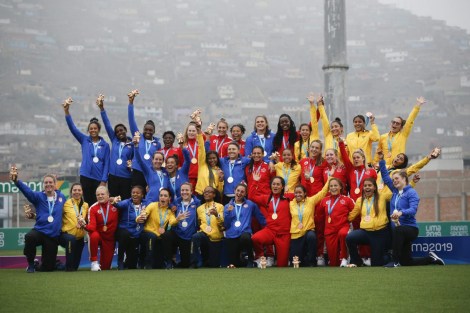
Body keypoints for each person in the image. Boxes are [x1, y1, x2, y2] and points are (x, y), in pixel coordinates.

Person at [378, 153, 445, 267]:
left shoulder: (411, 192)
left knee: (398, 231)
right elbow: (384, 175)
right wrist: (381, 160)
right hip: (400, 231)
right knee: (407, 262)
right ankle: (432, 259)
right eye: (393, 179)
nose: (394, 181)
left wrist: (401, 212)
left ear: (404, 179)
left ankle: (395, 261)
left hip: (410, 229)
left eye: (397, 178)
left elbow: (413, 210)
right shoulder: (394, 191)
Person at [10, 166, 66, 273]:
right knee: (29, 237)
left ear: (55, 185)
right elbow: (27, 191)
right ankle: (31, 264)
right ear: (43, 185)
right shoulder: (38, 196)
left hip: (52, 236)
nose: (48, 184)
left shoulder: (61, 197)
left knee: (47, 269)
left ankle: (40, 264)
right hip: (40, 231)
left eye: (50, 182)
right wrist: (17, 181)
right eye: (46, 183)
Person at [63, 97, 110, 204]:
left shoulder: (105, 145)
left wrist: (104, 181)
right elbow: (72, 128)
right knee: (86, 203)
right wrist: (66, 111)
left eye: (95, 128)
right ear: (88, 130)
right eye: (91, 128)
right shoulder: (84, 140)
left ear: (98, 130)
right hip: (85, 176)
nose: (93, 130)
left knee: (98, 202)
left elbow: (107, 164)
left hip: (99, 179)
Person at [346, 178, 390, 266]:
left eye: (369, 185)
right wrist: (340, 216)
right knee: (350, 238)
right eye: (365, 186)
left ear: (374, 187)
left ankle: (388, 256)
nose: (367, 187)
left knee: (376, 264)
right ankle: (357, 261)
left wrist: (412, 183)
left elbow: (398, 192)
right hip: (365, 233)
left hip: (379, 233)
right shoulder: (360, 200)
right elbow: (351, 216)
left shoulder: (383, 196)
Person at [250, 176, 292, 267]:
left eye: (278, 184)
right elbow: (252, 196)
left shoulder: (288, 198)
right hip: (270, 231)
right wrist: (255, 182)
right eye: (273, 184)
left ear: (282, 187)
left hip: (283, 234)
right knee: (255, 238)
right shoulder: (267, 198)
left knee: (282, 265)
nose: (275, 186)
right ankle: (260, 258)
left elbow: (302, 196)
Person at [97, 94, 133, 199]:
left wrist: (132, 164)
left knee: (124, 201)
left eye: (121, 130)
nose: (119, 132)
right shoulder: (114, 140)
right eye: (117, 132)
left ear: (126, 130)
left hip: (126, 178)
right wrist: (102, 108)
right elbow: (107, 124)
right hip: (113, 177)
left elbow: (136, 159)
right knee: (113, 202)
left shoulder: (132, 144)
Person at [373, 97, 425, 166]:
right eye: (393, 122)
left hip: (396, 168)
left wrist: (417, 106)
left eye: (397, 123)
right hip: (384, 169)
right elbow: (378, 153)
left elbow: (410, 121)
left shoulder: (403, 135)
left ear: (401, 127)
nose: (394, 124)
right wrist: (375, 164)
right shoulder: (383, 137)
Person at [137, 188, 182, 269]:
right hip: (147, 233)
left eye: (165, 196)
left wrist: (177, 219)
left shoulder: (170, 211)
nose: (163, 198)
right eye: (161, 195)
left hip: (159, 235)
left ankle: (169, 262)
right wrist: (140, 217)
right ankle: (148, 264)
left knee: (167, 236)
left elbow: (172, 222)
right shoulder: (152, 205)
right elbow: (145, 213)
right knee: (152, 236)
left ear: (169, 198)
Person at [289, 180, 330, 267]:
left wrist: (330, 178)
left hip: (308, 231)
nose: (297, 194)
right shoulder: (290, 204)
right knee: (296, 261)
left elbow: (322, 193)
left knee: (311, 236)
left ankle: (312, 261)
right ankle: (304, 260)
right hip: (296, 234)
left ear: (304, 193)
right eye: (296, 193)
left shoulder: (310, 201)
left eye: (300, 192)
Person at [224, 184, 266, 268]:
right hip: (232, 235)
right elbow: (226, 224)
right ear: (234, 191)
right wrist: (228, 213)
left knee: (245, 237)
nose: (239, 193)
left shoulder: (250, 205)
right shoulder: (227, 206)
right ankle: (245, 261)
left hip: (245, 233)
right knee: (234, 263)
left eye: (242, 192)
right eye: (238, 191)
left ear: (245, 194)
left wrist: (267, 226)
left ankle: (250, 259)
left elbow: (260, 217)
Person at [128, 90, 162, 191]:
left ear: (154, 131)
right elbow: (131, 120)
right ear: (143, 130)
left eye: (150, 130)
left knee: (147, 195)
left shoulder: (157, 144)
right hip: (137, 171)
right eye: (146, 129)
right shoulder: (138, 136)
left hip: (149, 173)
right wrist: (131, 103)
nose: (148, 131)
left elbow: (158, 160)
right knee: (136, 194)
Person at [317, 178, 355, 267]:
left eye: (335, 185)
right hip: (329, 231)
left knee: (343, 234)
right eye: (331, 186)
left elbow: (355, 212)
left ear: (341, 187)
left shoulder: (347, 200)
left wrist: (348, 220)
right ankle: (337, 262)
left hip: (343, 227)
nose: (333, 188)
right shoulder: (324, 201)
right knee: (334, 263)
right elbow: (320, 217)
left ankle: (345, 258)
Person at [166, 182, 201, 268]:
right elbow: (168, 206)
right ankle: (169, 261)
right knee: (166, 235)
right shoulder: (176, 203)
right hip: (177, 233)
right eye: (182, 190)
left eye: (186, 190)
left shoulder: (197, 203)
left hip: (189, 235)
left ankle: (184, 263)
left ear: (191, 192)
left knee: (185, 264)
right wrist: (172, 209)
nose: (184, 192)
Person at [113, 185, 148, 270]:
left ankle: (141, 262)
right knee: (125, 234)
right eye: (133, 193)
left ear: (142, 195)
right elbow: (117, 205)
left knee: (132, 266)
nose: (135, 194)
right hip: (125, 231)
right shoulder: (127, 202)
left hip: (137, 232)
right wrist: (114, 201)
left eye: (137, 193)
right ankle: (120, 261)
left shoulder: (146, 204)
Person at [85, 186, 119, 271]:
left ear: (108, 195)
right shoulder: (93, 208)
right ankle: (94, 262)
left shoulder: (116, 205)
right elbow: (92, 228)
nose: (100, 196)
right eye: (98, 195)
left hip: (110, 239)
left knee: (105, 267)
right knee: (94, 235)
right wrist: (84, 226)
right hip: (99, 236)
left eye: (102, 194)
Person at [190, 186, 225, 268]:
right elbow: (199, 223)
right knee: (195, 237)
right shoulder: (199, 208)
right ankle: (193, 263)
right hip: (204, 235)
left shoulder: (220, 207)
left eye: (209, 192)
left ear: (214, 195)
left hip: (215, 237)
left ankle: (206, 262)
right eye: (205, 192)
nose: (206, 193)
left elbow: (223, 223)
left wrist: (217, 215)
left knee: (213, 265)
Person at [59, 183, 89, 271]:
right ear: (71, 192)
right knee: (70, 267)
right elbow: (57, 216)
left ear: (82, 192)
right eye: (74, 190)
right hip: (66, 236)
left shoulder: (86, 205)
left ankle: (58, 265)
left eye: (79, 190)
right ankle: (67, 268)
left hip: (79, 238)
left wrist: (84, 223)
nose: (77, 192)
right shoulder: (65, 204)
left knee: (75, 267)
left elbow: (87, 220)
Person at [133, 132, 169, 202]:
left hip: (164, 201)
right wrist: (136, 146)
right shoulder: (148, 170)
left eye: (160, 159)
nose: (158, 161)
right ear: (152, 160)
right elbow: (139, 160)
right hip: (151, 201)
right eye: (156, 159)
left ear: (163, 161)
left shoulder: (166, 172)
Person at [195, 126, 224, 201]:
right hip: (201, 195)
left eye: (214, 158)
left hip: (213, 197)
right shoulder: (202, 165)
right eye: (209, 158)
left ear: (217, 159)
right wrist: (199, 133)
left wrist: (221, 180)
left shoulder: (219, 170)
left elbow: (220, 190)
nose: (212, 160)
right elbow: (201, 149)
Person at [317, 95, 345, 162]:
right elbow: (324, 120)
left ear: (341, 128)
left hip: (340, 166)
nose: (333, 129)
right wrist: (320, 105)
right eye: (332, 127)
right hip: (327, 164)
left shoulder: (345, 141)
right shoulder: (328, 135)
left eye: (336, 127)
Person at [294, 93, 320, 162]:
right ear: (299, 132)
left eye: (306, 130)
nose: (304, 132)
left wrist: (312, 104)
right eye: (303, 130)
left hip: (314, 167)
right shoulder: (296, 144)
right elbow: (296, 160)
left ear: (310, 132)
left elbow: (314, 121)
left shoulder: (314, 138)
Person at [183, 121, 202, 189]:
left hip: (199, 177)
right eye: (189, 130)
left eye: (193, 131)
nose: (191, 132)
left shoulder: (200, 145)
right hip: (187, 177)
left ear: (197, 132)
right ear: (187, 132)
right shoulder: (183, 146)